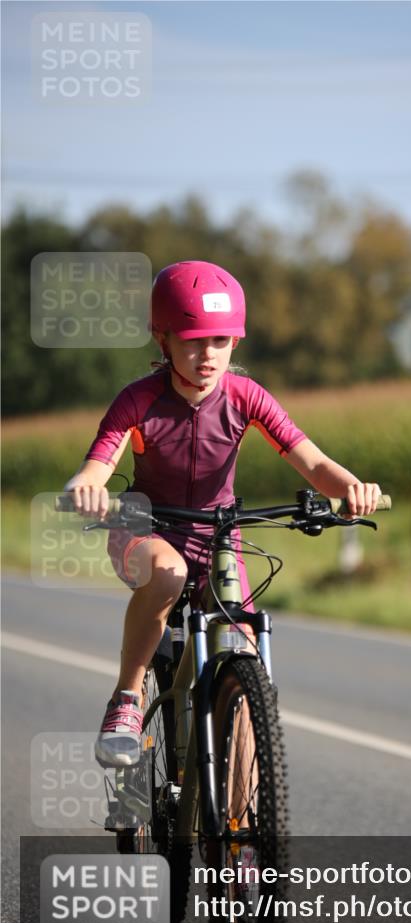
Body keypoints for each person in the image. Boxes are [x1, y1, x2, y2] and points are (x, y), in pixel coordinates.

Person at [64, 260, 380, 768]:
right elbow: (98, 464)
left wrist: (351, 487)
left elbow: (313, 461)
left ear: (236, 341)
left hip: (219, 533)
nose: (206, 355)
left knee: (247, 661)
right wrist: (86, 490)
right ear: (162, 339)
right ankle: (126, 701)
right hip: (144, 529)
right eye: (191, 340)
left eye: (220, 341)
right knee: (168, 576)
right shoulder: (138, 401)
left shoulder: (246, 396)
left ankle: (244, 836)